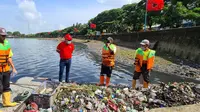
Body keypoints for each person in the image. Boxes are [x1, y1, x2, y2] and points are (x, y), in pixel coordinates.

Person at [0, 27, 18, 108]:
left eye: (5, 35)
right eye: (2, 35)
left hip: (6, 69)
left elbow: (9, 57)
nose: (4, 37)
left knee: (6, 86)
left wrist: (13, 67)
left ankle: (6, 102)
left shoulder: (7, 43)